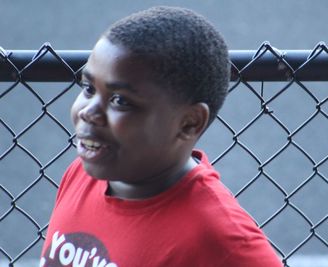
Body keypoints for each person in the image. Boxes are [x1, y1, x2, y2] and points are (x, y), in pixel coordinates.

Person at [40, 6, 283, 267]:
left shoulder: (220, 240)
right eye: (88, 89)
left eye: (120, 100)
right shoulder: (81, 174)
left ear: (189, 123)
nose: (88, 112)